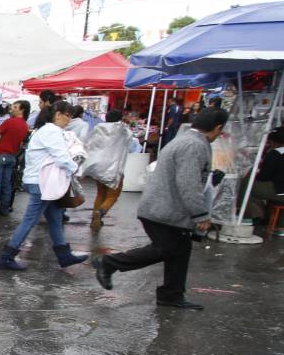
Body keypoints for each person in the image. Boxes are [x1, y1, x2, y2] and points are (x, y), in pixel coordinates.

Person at [94, 108, 227, 309]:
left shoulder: (188, 140)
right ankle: (110, 263)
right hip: (164, 210)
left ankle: (172, 294)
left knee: (180, 250)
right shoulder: (193, 145)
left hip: (165, 208)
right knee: (167, 249)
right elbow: (188, 183)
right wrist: (201, 215)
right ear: (218, 128)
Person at [0, 100, 88, 271]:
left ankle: (64, 255)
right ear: (58, 114)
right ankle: (7, 256)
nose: (69, 120)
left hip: (42, 181)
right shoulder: (52, 131)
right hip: (42, 183)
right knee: (30, 220)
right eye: (67, 115)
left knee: (55, 218)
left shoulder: (46, 130)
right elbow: (62, 157)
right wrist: (75, 169)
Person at [81, 109, 132, 232]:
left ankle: (95, 219)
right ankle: (101, 212)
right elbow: (130, 139)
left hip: (99, 167)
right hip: (114, 168)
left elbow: (91, 144)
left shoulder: (98, 129)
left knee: (100, 193)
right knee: (113, 194)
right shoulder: (123, 131)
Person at [0, 100, 29, 215]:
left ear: (22, 110)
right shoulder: (25, 125)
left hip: (0, 154)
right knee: (7, 184)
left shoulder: (9, 122)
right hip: (12, 156)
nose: (12, 109)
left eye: (15, 107)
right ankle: (4, 208)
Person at [245, 127, 284, 227]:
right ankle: (278, 224)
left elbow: (263, 177)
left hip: (281, 191)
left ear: (273, 142)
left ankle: (254, 217)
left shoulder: (275, 153)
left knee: (247, 186)